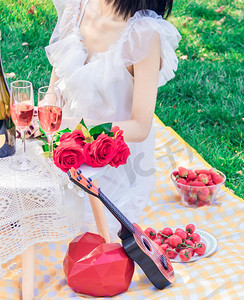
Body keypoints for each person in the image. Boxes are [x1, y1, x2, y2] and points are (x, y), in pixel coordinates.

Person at [45, 0, 181, 240]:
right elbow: (54, 91)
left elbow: (140, 126)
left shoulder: (143, 33)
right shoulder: (76, 8)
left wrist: (79, 132)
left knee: (79, 235)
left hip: (112, 164)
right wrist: (46, 116)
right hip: (62, 148)